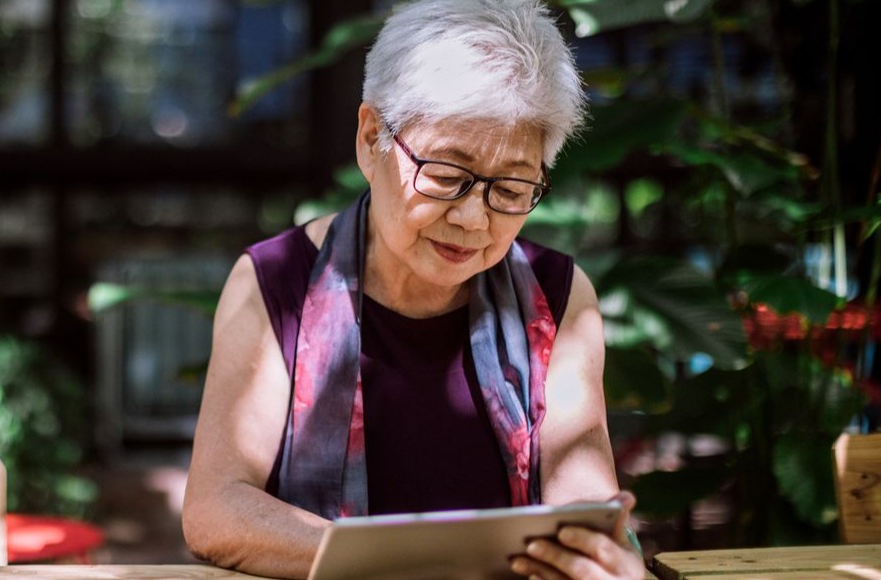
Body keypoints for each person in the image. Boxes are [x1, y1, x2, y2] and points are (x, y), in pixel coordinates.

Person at [182, 0, 644, 578]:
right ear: (371, 137)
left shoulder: (558, 297)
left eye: (512, 188)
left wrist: (600, 553)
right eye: (447, 176)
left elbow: (580, 502)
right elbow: (216, 509)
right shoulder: (276, 283)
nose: (474, 220)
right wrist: (414, 564)